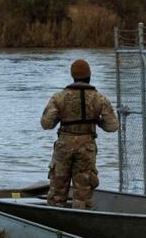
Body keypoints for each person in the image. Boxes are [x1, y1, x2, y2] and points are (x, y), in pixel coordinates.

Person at [40, 59, 119, 209]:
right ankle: (81, 220)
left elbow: (46, 124)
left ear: (72, 76)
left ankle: (54, 222)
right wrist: (96, 121)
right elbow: (112, 126)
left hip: (64, 146)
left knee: (57, 191)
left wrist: (61, 118)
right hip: (87, 147)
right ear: (89, 76)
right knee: (83, 193)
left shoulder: (59, 97)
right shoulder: (100, 98)